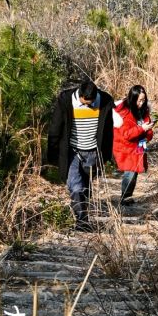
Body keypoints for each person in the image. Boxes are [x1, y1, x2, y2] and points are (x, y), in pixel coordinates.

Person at [46, 76, 115, 231]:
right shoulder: (66, 101)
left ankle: (82, 212)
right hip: (72, 152)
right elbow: (55, 128)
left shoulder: (104, 102)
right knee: (76, 187)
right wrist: (52, 154)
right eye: (85, 102)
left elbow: (109, 131)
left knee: (85, 188)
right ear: (80, 95)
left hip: (93, 153)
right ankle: (82, 222)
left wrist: (107, 155)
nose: (88, 105)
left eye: (91, 103)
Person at [112, 85, 154, 206]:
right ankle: (125, 197)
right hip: (127, 146)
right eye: (139, 100)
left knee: (135, 171)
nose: (142, 102)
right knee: (130, 172)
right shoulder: (125, 113)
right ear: (133, 98)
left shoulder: (144, 111)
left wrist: (148, 133)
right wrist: (142, 129)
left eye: (144, 99)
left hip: (140, 144)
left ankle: (128, 196)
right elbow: (127, 135)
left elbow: (148, 131)